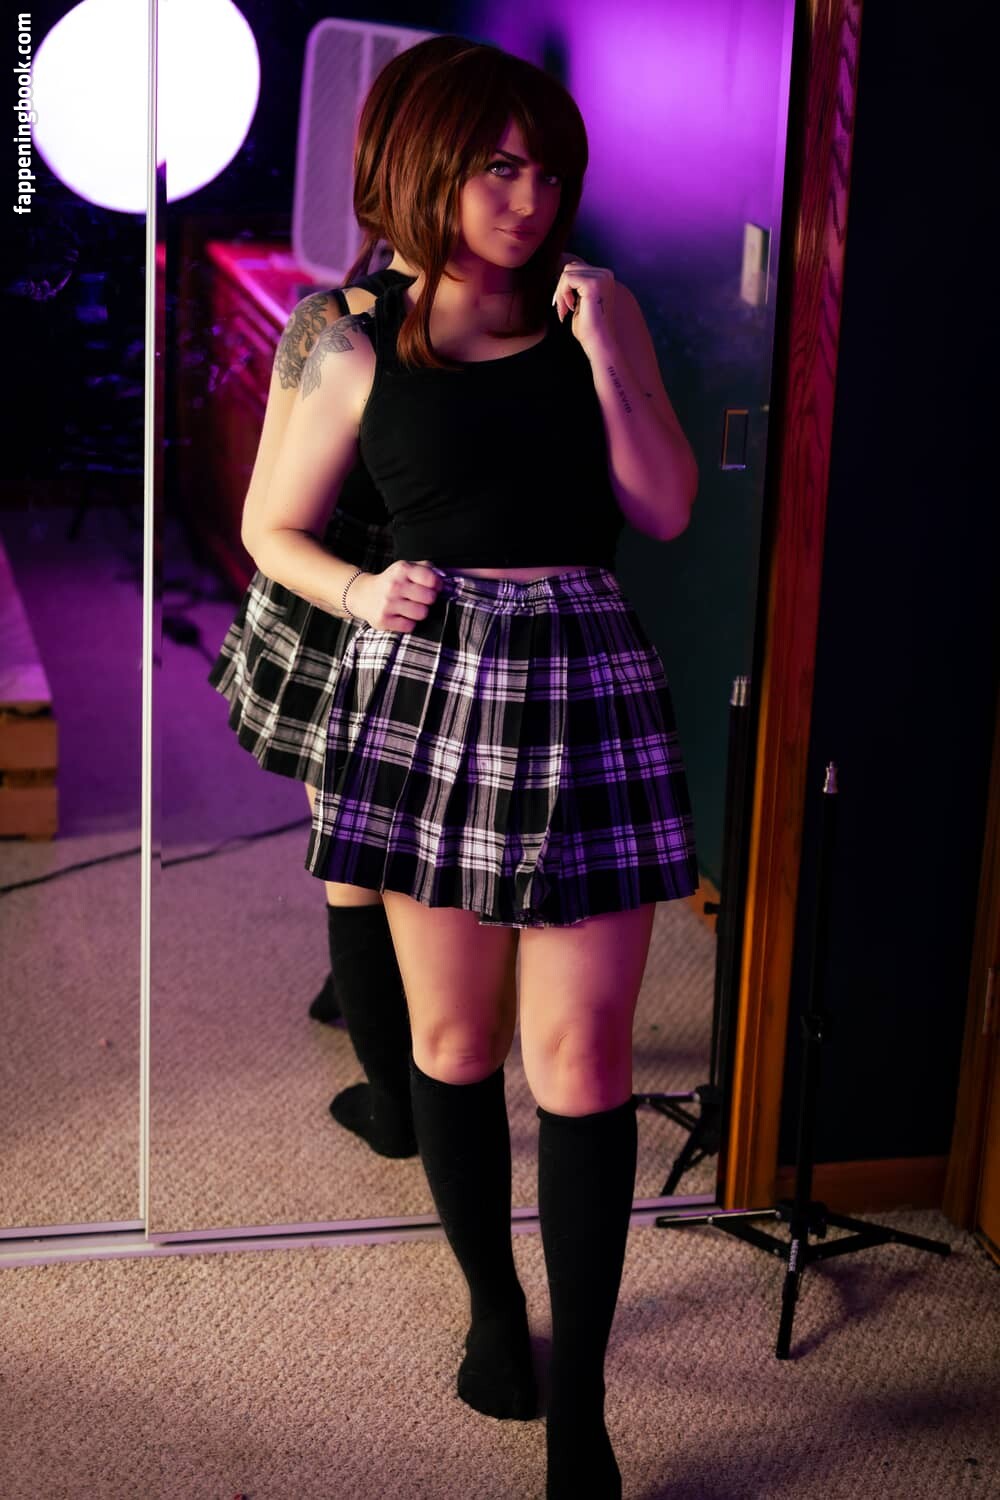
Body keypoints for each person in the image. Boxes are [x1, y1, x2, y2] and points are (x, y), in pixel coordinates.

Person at [243, 39, 699, 1500]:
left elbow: (666, 509)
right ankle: (493, 1308)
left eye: (548, 169)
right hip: (428, 688)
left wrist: (613, 353)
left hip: (589, 684)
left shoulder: (593, 311)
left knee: (586, 1059)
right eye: (499, 165)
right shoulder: (345, 334)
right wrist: (361, 590)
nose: (529, 195)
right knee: (452, 1043)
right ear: (424, 166)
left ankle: (583, 1408)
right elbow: (270, 528)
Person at [209, 36, 474, 1160]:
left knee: (361, 863)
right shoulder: (340, 321)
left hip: (422, 600)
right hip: (346, 589)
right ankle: (384, 1067)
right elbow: (270, 521)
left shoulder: (358, 313)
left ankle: (394, 1097)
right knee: (359, 850)